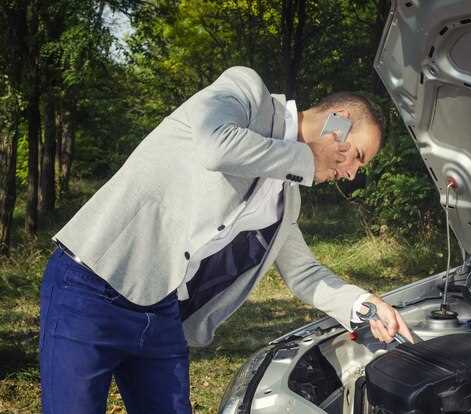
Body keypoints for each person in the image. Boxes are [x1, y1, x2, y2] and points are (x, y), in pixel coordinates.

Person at [38, 66, 413, 413]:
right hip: (90, 287)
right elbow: (216, 147)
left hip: (162, 308)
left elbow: (305, 273)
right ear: (339, 122)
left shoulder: (287, 198)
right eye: (356, 157)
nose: (350, 173)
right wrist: (304, 157)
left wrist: (364, 304)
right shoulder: (246, 90)